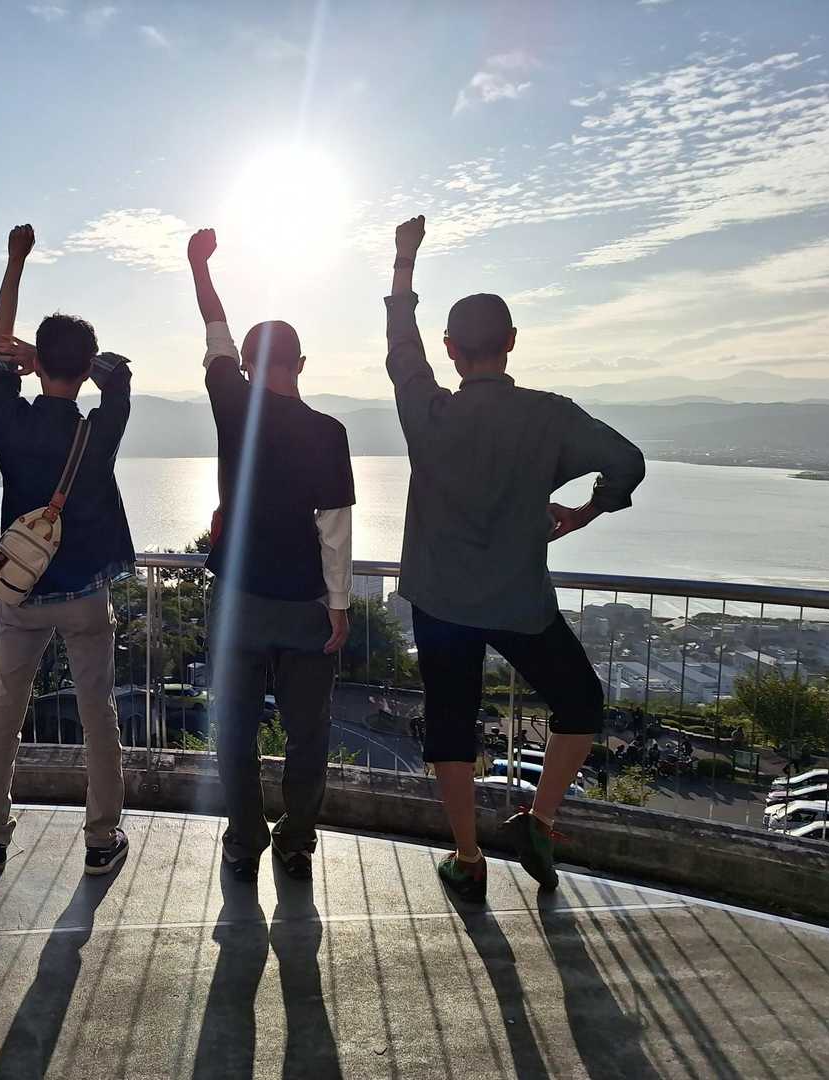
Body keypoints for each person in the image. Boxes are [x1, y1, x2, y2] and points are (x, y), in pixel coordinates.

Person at [385, 215, 645, 901]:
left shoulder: (427, 412)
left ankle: (468, 857)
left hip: (441, 601)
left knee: (450, 721)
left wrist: (404, 260)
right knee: (580, 702)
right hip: (519, 601)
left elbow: (400, 344)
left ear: (450, 349)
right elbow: (627, 460)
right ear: (511, 342)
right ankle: (540, 819)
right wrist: (587, 510)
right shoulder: (549, 415)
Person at [187, 227, 354, 883]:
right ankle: (297, 840)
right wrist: (338, 605)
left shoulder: (232, 404)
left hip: (238, 599)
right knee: (308, 732)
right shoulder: (329, 433)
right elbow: (333, 528)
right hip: (305, 604)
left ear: (249, 366)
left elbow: (215, 331)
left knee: (234, 728)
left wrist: (199, 265)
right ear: (301, 364)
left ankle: (245, 836)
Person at [0, 224, 134, 876]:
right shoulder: (101, 427)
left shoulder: (8, 421)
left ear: (37, 365)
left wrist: (15, 262)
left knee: (5, 712)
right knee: (98, 714)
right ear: (84, 367)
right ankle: (101, 838)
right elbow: (118, 374)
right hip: (86, 594)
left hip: (22, 591)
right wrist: (63, 359)